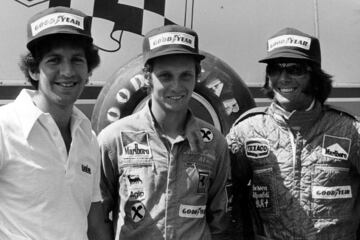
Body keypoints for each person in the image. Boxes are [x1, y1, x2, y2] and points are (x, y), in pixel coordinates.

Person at [98, 24, 232, 240]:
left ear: (197, 76)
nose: (176, 86)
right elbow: (97, 216)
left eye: (186, 75)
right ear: (148, 76)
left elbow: (220, 219)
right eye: (166, 76)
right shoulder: (114, 139)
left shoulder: (214, 143)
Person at [227, 27, 360, 239]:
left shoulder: (349, 131)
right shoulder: (247, 131)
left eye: (295, 69)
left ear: (314, 76)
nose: (283, 78)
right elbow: (225, 201)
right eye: (274, 69)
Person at [0, 6, 113, 240]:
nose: (67, 71)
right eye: (54, 61)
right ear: (33, 70)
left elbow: (94, 221)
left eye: (77, 60)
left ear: (89, 70)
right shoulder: (4, 126)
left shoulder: (88, 137)